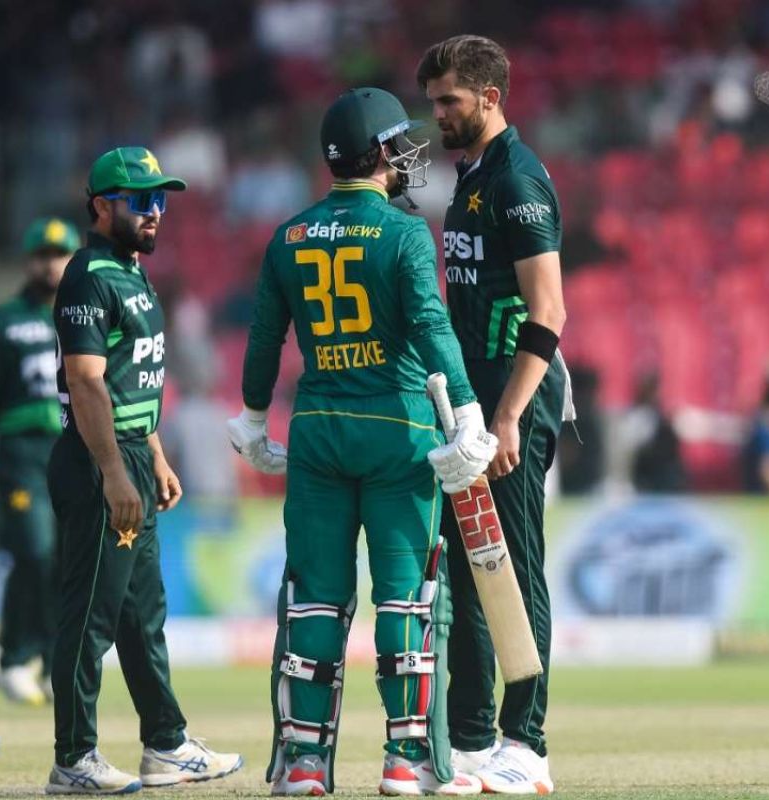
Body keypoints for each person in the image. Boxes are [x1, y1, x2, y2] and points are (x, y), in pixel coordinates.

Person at [228, 87, 498, 796]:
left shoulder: (287, 235)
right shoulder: (406, 233)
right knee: (407, 600)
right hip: (398, 429)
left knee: (315, 599)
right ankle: (407, 762)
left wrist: (255, 421)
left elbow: (264, 341)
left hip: (316, 429)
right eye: (400, 143)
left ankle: (304, 765)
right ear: (377, 154)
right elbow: (433, 330)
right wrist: (467, 413)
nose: (411, 153)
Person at [46, 146, 242, 794]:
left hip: (130, 454)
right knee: (91, 617)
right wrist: (113, 471)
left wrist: (153, 455)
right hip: (97, 459)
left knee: (141, 616)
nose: (156, 212)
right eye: (140, 200)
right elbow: (85, 382)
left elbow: (137, 381)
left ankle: (166, 745)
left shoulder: (133, 273)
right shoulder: (89, 276)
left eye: (161, 199)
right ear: (102, 205)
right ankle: (73, 758)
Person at [417, 36, 572, 794]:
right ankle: (475, 742)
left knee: (513, 564)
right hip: (469, 405)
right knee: (470, 570)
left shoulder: (516, 180)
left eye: (449, 101)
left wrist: (509, 416)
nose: (438, 114)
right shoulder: (471, 177)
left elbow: (548, 313)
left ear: (489, 96)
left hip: (516, 401)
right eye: (434, 102)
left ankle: (527, 743)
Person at [0, 216, 81, 705]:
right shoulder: (5, 320)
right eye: (43, 255)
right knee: (34, 551)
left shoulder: (84, 315)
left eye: (60, 255)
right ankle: (14, 656)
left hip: (72, 449)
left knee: (64, 558)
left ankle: (55, 662)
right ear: (29, 261)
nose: (51, 264)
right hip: (19, 452)